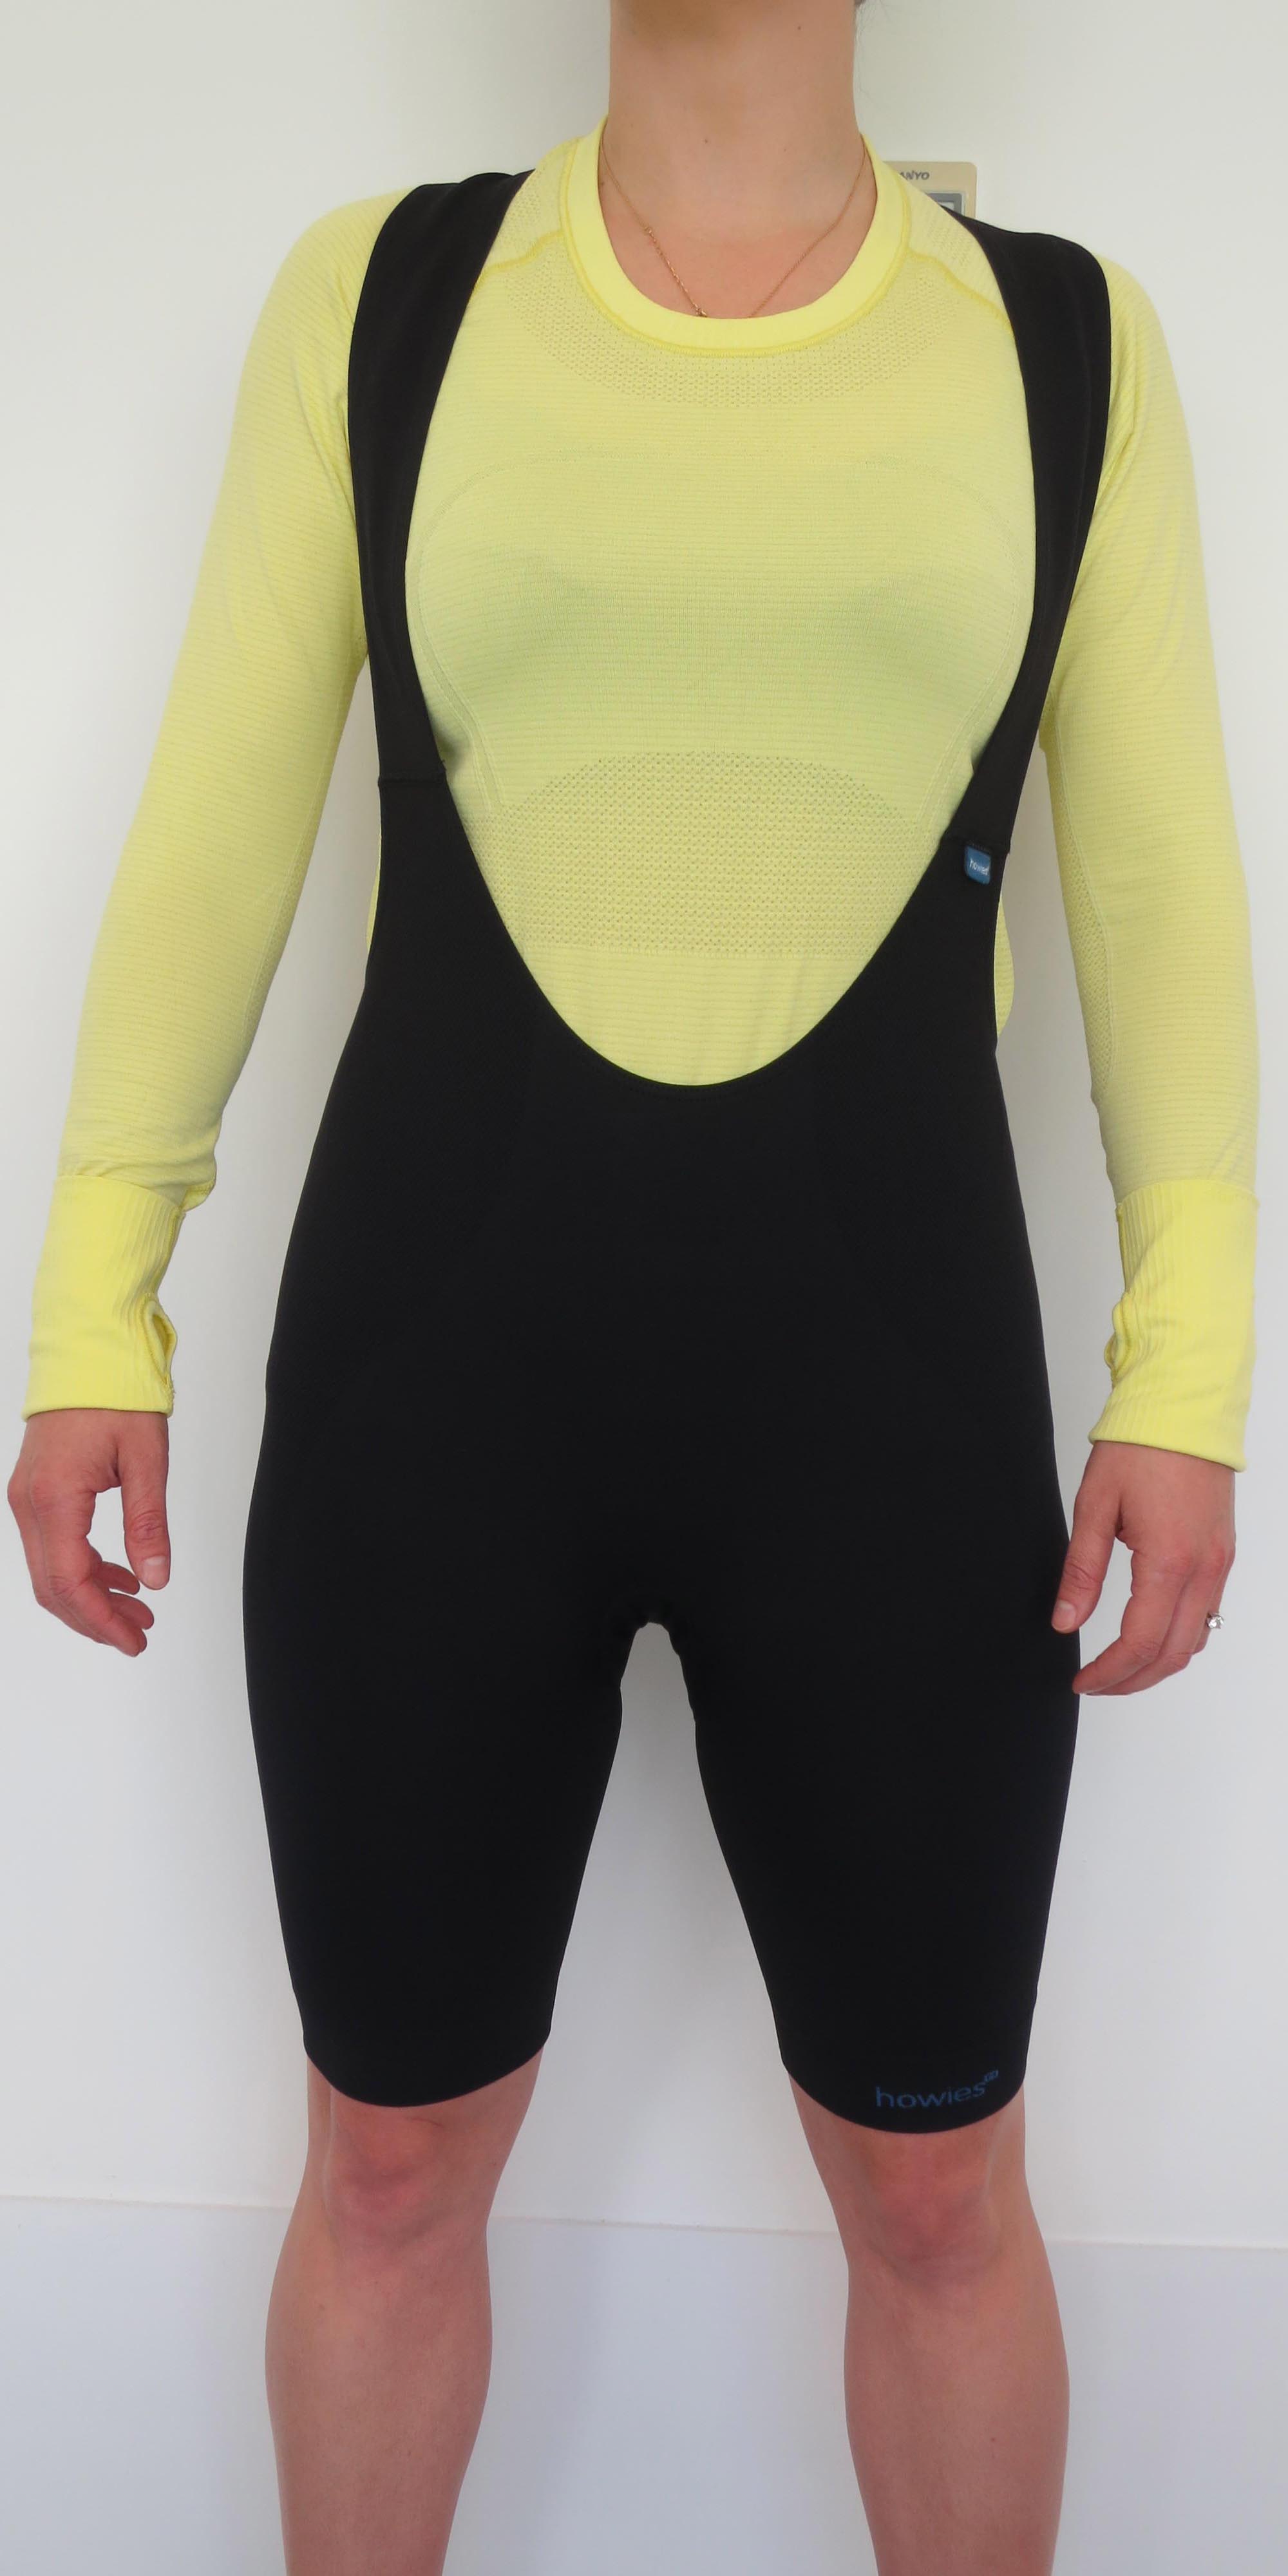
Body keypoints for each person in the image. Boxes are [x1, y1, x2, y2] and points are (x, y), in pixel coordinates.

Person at [8, 3, 1258, 2571]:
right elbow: (213, 827)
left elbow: (1158, 891)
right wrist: (92, 1302)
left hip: (890, 1410)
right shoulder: (384, 300)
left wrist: (1192, 1363)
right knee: (384, 2164)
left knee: (937, 2188)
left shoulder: (1058, 344)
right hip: (432, 1392)